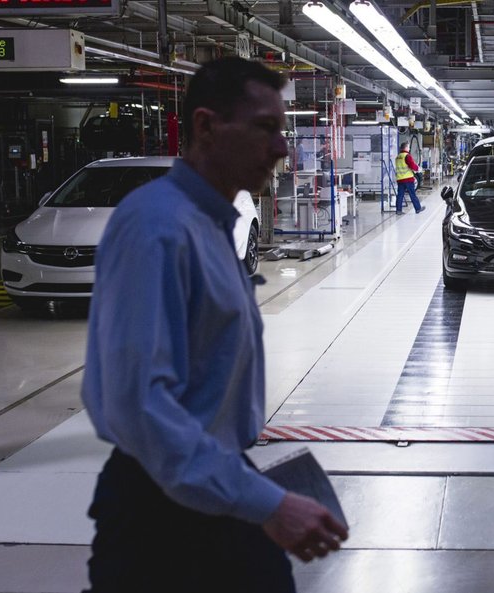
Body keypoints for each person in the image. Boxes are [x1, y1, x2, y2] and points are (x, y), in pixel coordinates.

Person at [80, 57, 348, 593]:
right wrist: (265, 502)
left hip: (208, 479)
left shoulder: (210, 225)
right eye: (265, 128)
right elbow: (141, 406)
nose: (281, 149)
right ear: (205, 126)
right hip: (161, 513)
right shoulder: (158, 227)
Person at [395, 141, 425, 214]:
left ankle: (398, 210)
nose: (409, 148)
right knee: (412, 194)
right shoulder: (407, 156)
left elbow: (403, 166)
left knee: (400, 195)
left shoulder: (398, 157)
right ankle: (418, 208)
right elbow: (412, 165)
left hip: (400, 179)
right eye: (408, 147)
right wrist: (419, 169)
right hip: (408, 179)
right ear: (405, 147)